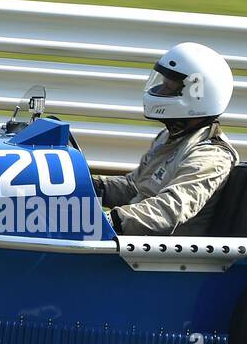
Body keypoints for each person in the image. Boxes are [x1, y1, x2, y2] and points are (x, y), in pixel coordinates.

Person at [91, 42, 239, 235]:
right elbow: (135, 187)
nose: (159, 92)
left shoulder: (210, 155)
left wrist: (105, 221)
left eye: (168, 87)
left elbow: (169, 210)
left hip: (159, 257)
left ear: (197, 95)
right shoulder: (171, 137)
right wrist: (88, 185)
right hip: (135, 245)